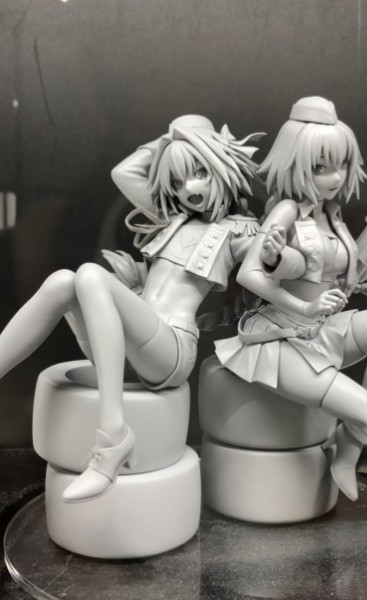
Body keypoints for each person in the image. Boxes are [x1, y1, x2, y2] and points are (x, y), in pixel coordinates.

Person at [215, 97, 367, 525]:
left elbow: (351, 275)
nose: (334, 178)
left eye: (342, 165)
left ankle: (350, 441)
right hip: (281, 341)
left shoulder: (331, 215)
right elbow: (250, 274)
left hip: (321, 329)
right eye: (320, 167)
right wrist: (304, 302)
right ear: (296, 163)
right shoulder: (285, 210)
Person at [0, 114, 262, 502]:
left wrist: (281, 256)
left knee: (90, 275)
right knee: (62, 282)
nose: (189, 188)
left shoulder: (239, 230)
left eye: (200, 173)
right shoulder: (171, 220)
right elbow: (124, 172)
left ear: (221, 166)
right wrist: (174, 138)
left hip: (170, 348)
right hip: (129, 344)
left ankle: (113, 437)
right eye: (177, 181)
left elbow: (269, 267)